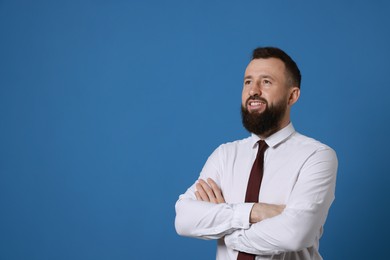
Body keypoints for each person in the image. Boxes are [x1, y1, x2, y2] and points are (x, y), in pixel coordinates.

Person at [174, 47, 338, 260]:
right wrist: (255, 211)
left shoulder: (317, 156)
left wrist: (228, 234)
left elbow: (295, 234)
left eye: (266, 82)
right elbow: (184, 219)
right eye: (248, 82)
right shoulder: (225, 155)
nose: (253, 90)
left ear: (292, 96)